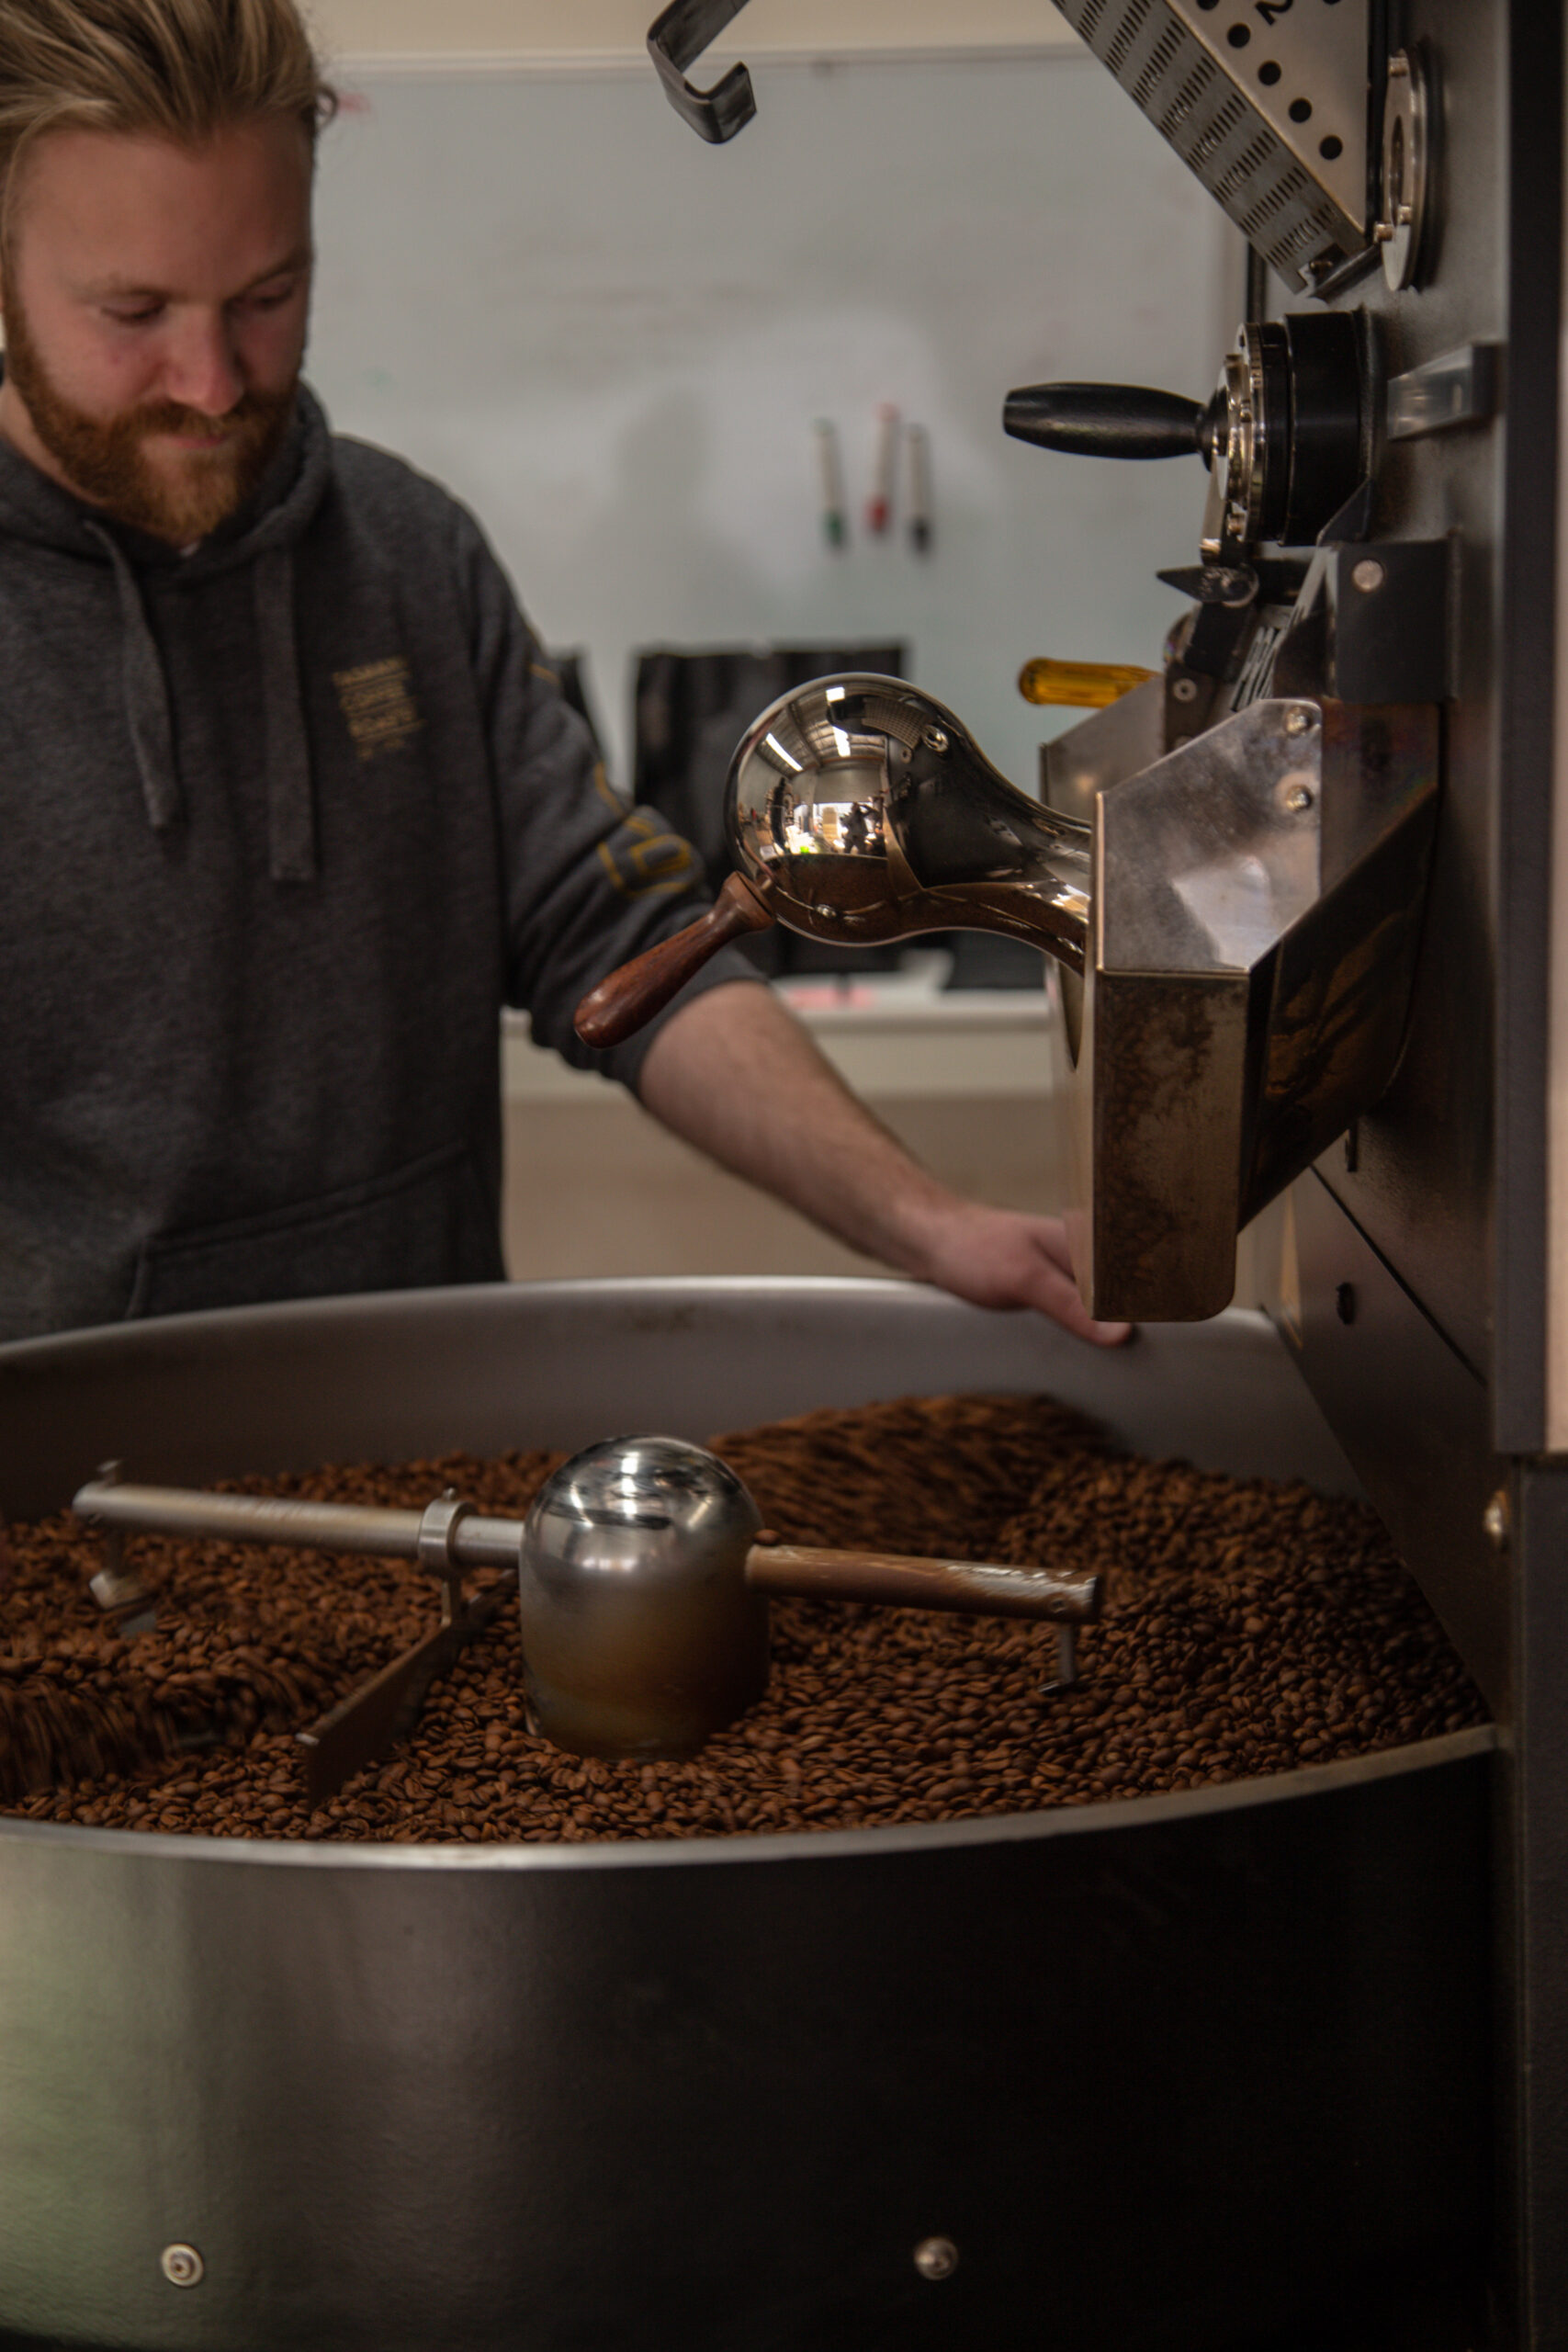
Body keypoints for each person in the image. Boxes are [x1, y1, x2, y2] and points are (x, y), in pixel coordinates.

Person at [0, 0, 1127, 1350]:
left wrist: (928, 1225)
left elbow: (618, 936)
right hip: (63, 1481)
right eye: (133, 311)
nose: (211, 380)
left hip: (420, 1456)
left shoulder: (409, 555)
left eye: (267, 298)